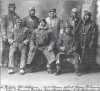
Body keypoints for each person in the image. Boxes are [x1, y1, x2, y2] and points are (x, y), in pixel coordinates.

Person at [0, 3, 20, 67]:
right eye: (11, 7)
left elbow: (18, 27)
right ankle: (4, 62)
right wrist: (4, 35)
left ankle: (13, 62)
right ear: (8, 8)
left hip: (14, 36)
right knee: (4, 49)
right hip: (6, 35)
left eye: (13, 7)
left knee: (14, 49)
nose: (12, 9)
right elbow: (2, 27)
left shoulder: (17, 17)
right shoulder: (5, 17)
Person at [45, 9, 62, 73]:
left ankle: (58, 67)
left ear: (55, 13)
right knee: (49, 51)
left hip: (56, 38)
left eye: (53, 13)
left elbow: (61, 29)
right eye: (50, 12)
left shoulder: (58, 19)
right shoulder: (46, 20)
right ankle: (49, 67)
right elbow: (43, 28)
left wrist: (60, 38)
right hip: (48, 39)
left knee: (57, 52)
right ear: (49, 13)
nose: (52, 14)